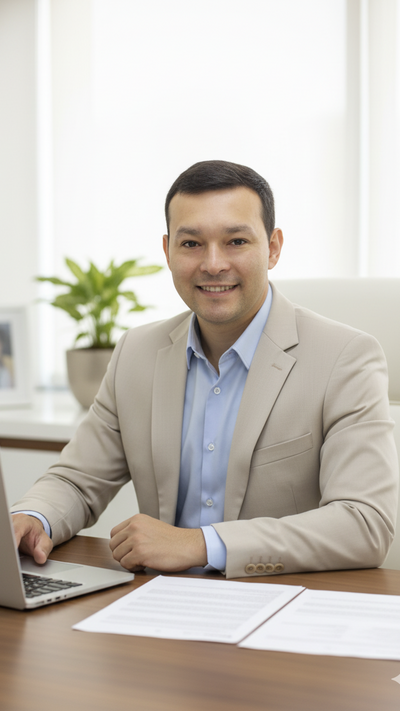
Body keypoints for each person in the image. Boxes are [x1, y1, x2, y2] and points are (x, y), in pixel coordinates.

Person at [11, 160, 398, 579]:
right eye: (192, 243)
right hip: (158, 601)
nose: (213, 264)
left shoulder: (345, 357)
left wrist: (202, 543)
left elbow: (365, 523)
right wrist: (33, 516)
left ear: (273, 248)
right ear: (167, 251)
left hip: (281, 601)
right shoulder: (136, 353)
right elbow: (77, 480)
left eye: (236, 241)